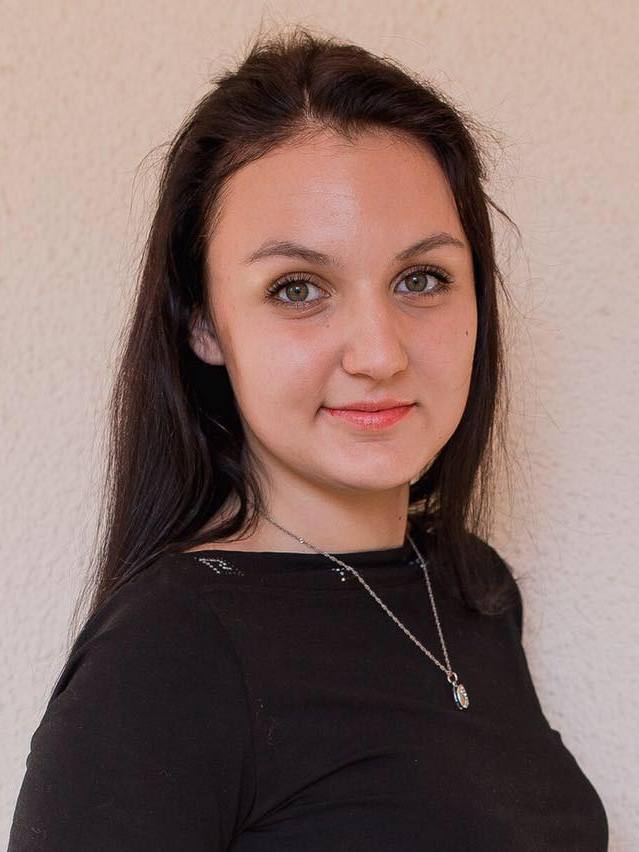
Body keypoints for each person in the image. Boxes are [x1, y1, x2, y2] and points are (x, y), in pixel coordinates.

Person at [8, 25, 608, 851]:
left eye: (421, 278)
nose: (378, 354)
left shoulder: (471, 588)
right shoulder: (166, 656)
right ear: (203, 324)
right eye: (297, 288)